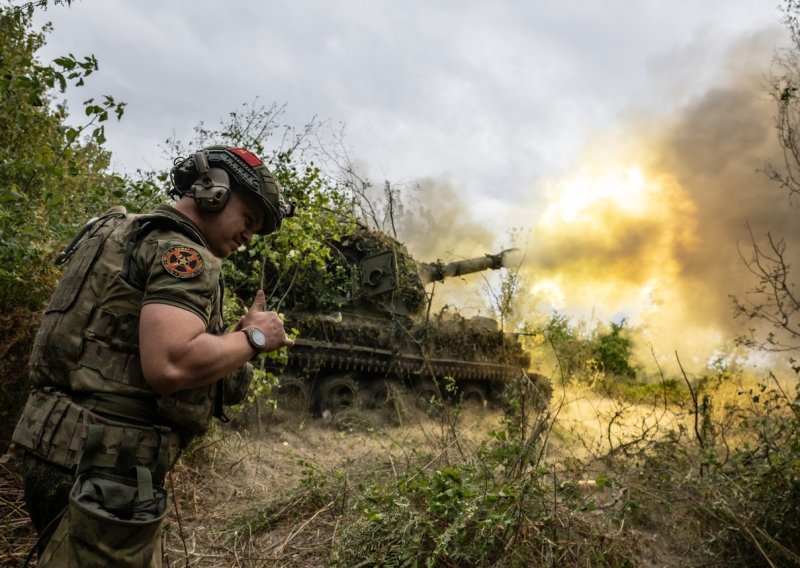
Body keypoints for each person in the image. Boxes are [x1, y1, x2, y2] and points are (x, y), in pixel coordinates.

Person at [8, 145, 294, 566]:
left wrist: (230, 339)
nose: (249, 236)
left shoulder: (117, 231)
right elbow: (170, 364)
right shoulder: (184, 255)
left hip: (56, 451)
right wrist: (253, 338)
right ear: (212, 191)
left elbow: (114, 344)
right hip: (105, 471)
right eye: (248, 219)